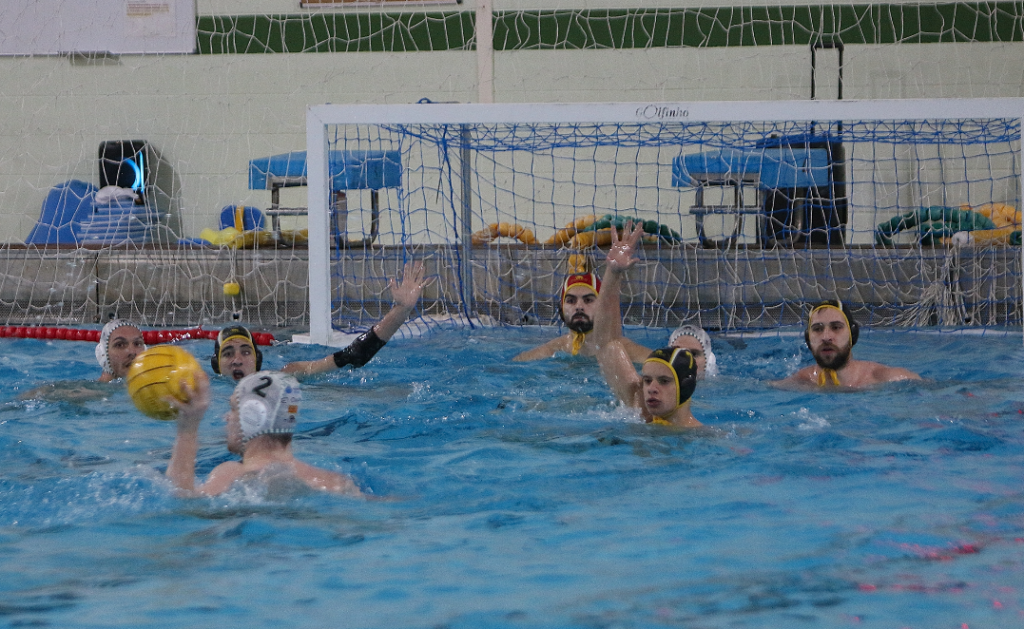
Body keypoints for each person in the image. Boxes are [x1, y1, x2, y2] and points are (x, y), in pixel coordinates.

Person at [210, 261, 428, 381]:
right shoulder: (203, 395)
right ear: (216, 365)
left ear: (257, 359)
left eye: (245, 351)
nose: (237, 359)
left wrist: (402, 310)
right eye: (228, 353)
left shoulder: (285, 377)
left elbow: (351, 357)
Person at [165, 370, 362, 496]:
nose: (227, 417)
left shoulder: (233, 473)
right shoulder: (336, 482)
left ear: (253, 417)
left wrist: (187, 429)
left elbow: (182, 501)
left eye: (234, 409)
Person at [589, 221, 719, 379]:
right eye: (677, 352)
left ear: (708, 362)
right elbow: (608, 345)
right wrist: (613, 272)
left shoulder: (728, 393)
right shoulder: (649, 394)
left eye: (694, 354)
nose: (685, 360)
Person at [774, 299, 922, 389]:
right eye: (817, 329)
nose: (826, 337)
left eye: (836, 327)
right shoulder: (800, 383)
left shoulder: (887, 379)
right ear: (808, 339)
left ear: (853, 335)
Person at [513, 271, 650, 362]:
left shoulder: (626, 352)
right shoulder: (552, 350)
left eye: (588, 300)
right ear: (561, 308)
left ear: (603, 307)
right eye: (571, 301)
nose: (579, 306)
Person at [598, 341, 701, 427]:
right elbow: (610, 349)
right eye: (647, 380)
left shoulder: (700, 438)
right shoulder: (639, 414)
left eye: (664, 381)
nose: (651, 389)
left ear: (685, 386)